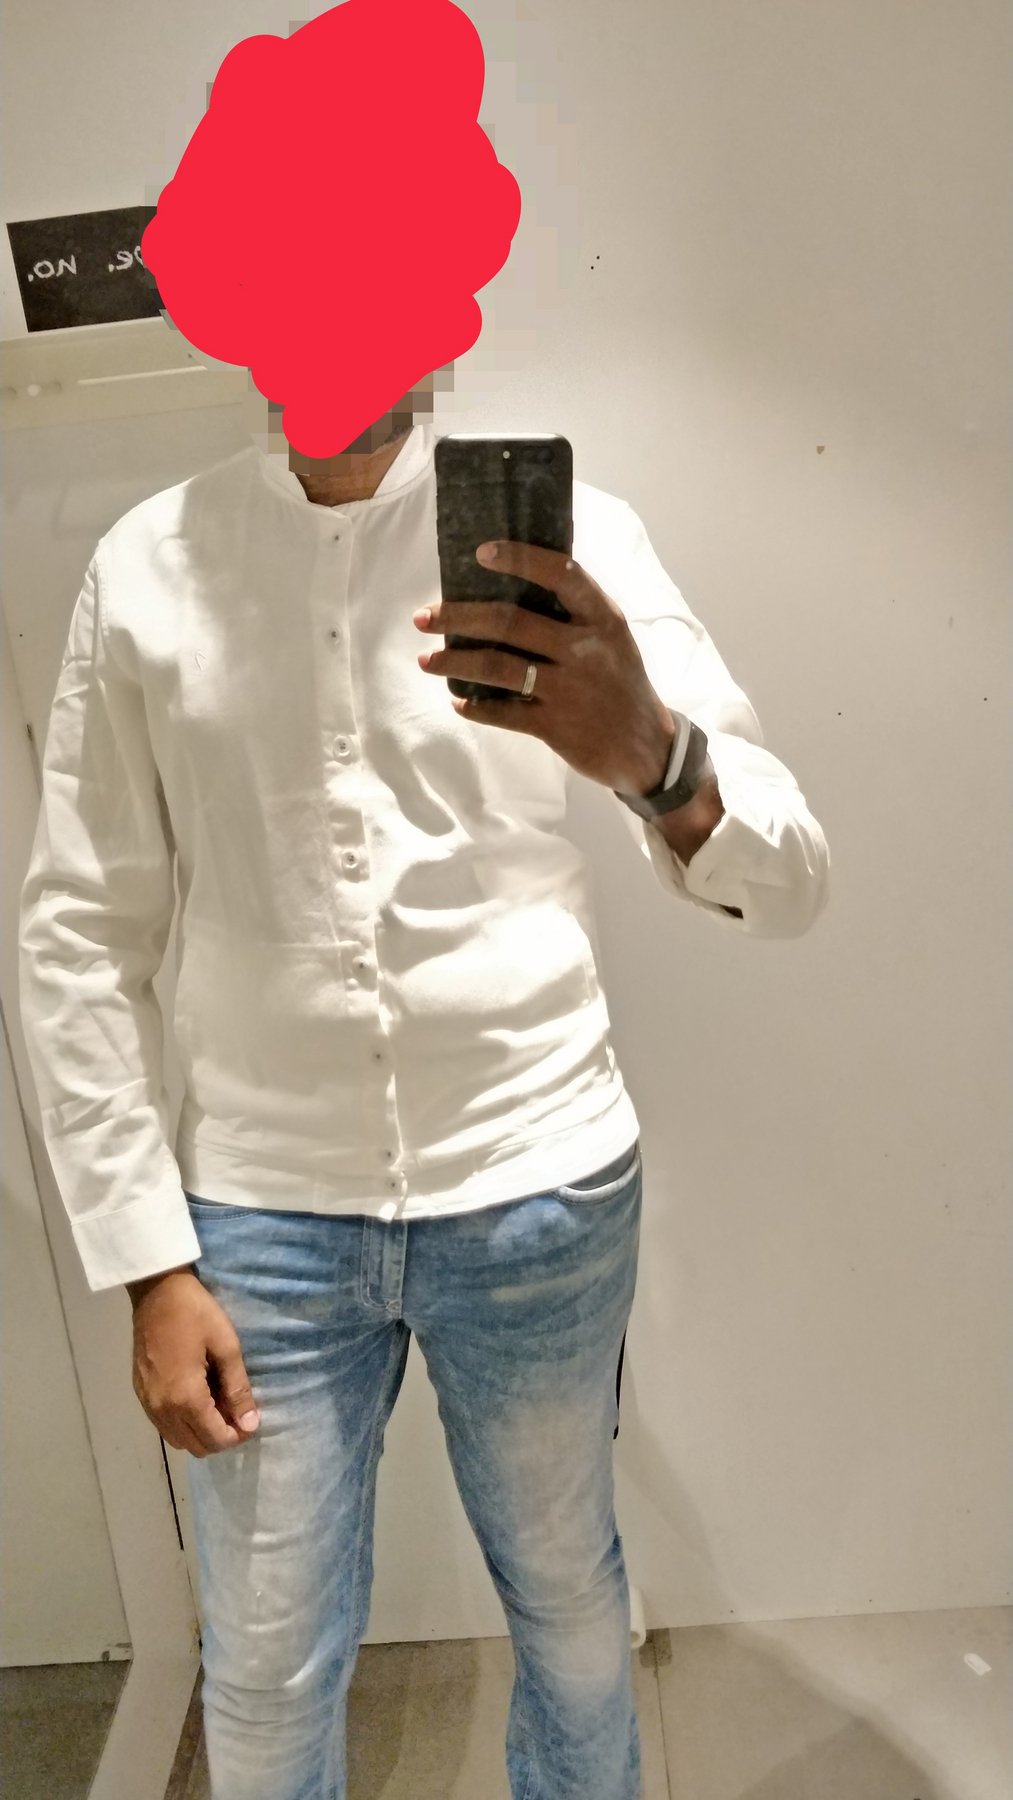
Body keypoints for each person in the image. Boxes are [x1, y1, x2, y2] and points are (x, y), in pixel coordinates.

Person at [18, 388, 829, 1800]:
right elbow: (82, 929)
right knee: (263, 1665)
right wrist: (146, 1261)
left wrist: (652, 749)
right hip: (258, 1215)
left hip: (539, 1185)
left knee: (569, 1603)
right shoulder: (148, 564)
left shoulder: (577, 543)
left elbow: (791, 878)